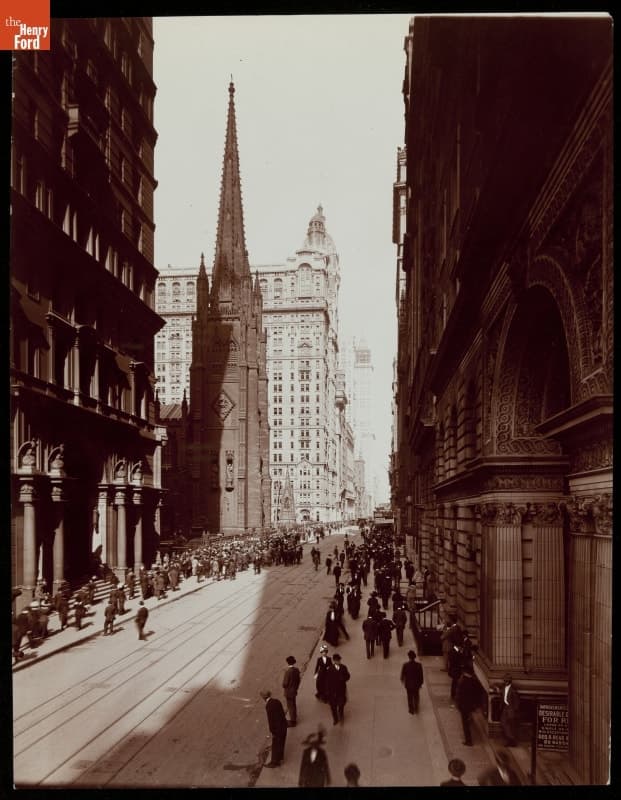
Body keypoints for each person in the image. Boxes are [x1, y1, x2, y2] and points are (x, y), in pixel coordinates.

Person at [260, 689, 288, 768]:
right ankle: (279, 759)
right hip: (283, 726)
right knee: (281, 743)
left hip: (277, 729)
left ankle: (274, 762)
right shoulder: (277, 701)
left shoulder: (268, 706)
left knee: (275, 745)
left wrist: (272, 731)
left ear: (264, 698)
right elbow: (282, 713)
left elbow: (271, 720)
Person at [455, 662, 480, 746]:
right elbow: (477, 694)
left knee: (465, 724)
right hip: (470, 705)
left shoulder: (463, 681)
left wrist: (458, 704)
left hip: (464, 706)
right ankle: (469, 739)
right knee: (468, 721)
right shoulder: (474, 681)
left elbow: (459, 694)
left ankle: (468, 741)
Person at [325, 653, 350, 725]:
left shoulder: (343, 667)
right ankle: (335, 719)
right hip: (332, 692)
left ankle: (341, 716)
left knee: (341, 705)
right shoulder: (330, 669)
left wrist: (344, 678)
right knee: (333, 707)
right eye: (337, 660)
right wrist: (327, 691)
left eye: (339, 660)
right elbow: (327, 681)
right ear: (334, 661)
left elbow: (348, 676)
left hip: (341, 690)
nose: (338, 662)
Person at [500, 674, 520, 746]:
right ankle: (510, 739)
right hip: (505, 708)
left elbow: (516, 702)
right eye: (505, 680)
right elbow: (502, 694)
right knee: (503, 724)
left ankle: (511, 741)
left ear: (509, 682)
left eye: (507, 681)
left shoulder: (513, 690)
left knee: (510, 726)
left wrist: (514, 710)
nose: (505, 682)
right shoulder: (503, 688)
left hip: (511, 709)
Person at [283, 655, 301, 726]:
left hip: (289, 692)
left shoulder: (288, 672)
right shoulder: (296, 670)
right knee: (293, 704)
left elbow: (284, 683)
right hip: (294, 690)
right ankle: (294, 717)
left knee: (290, 706)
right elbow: (298, 680)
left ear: (288, 663)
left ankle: (293, 721)